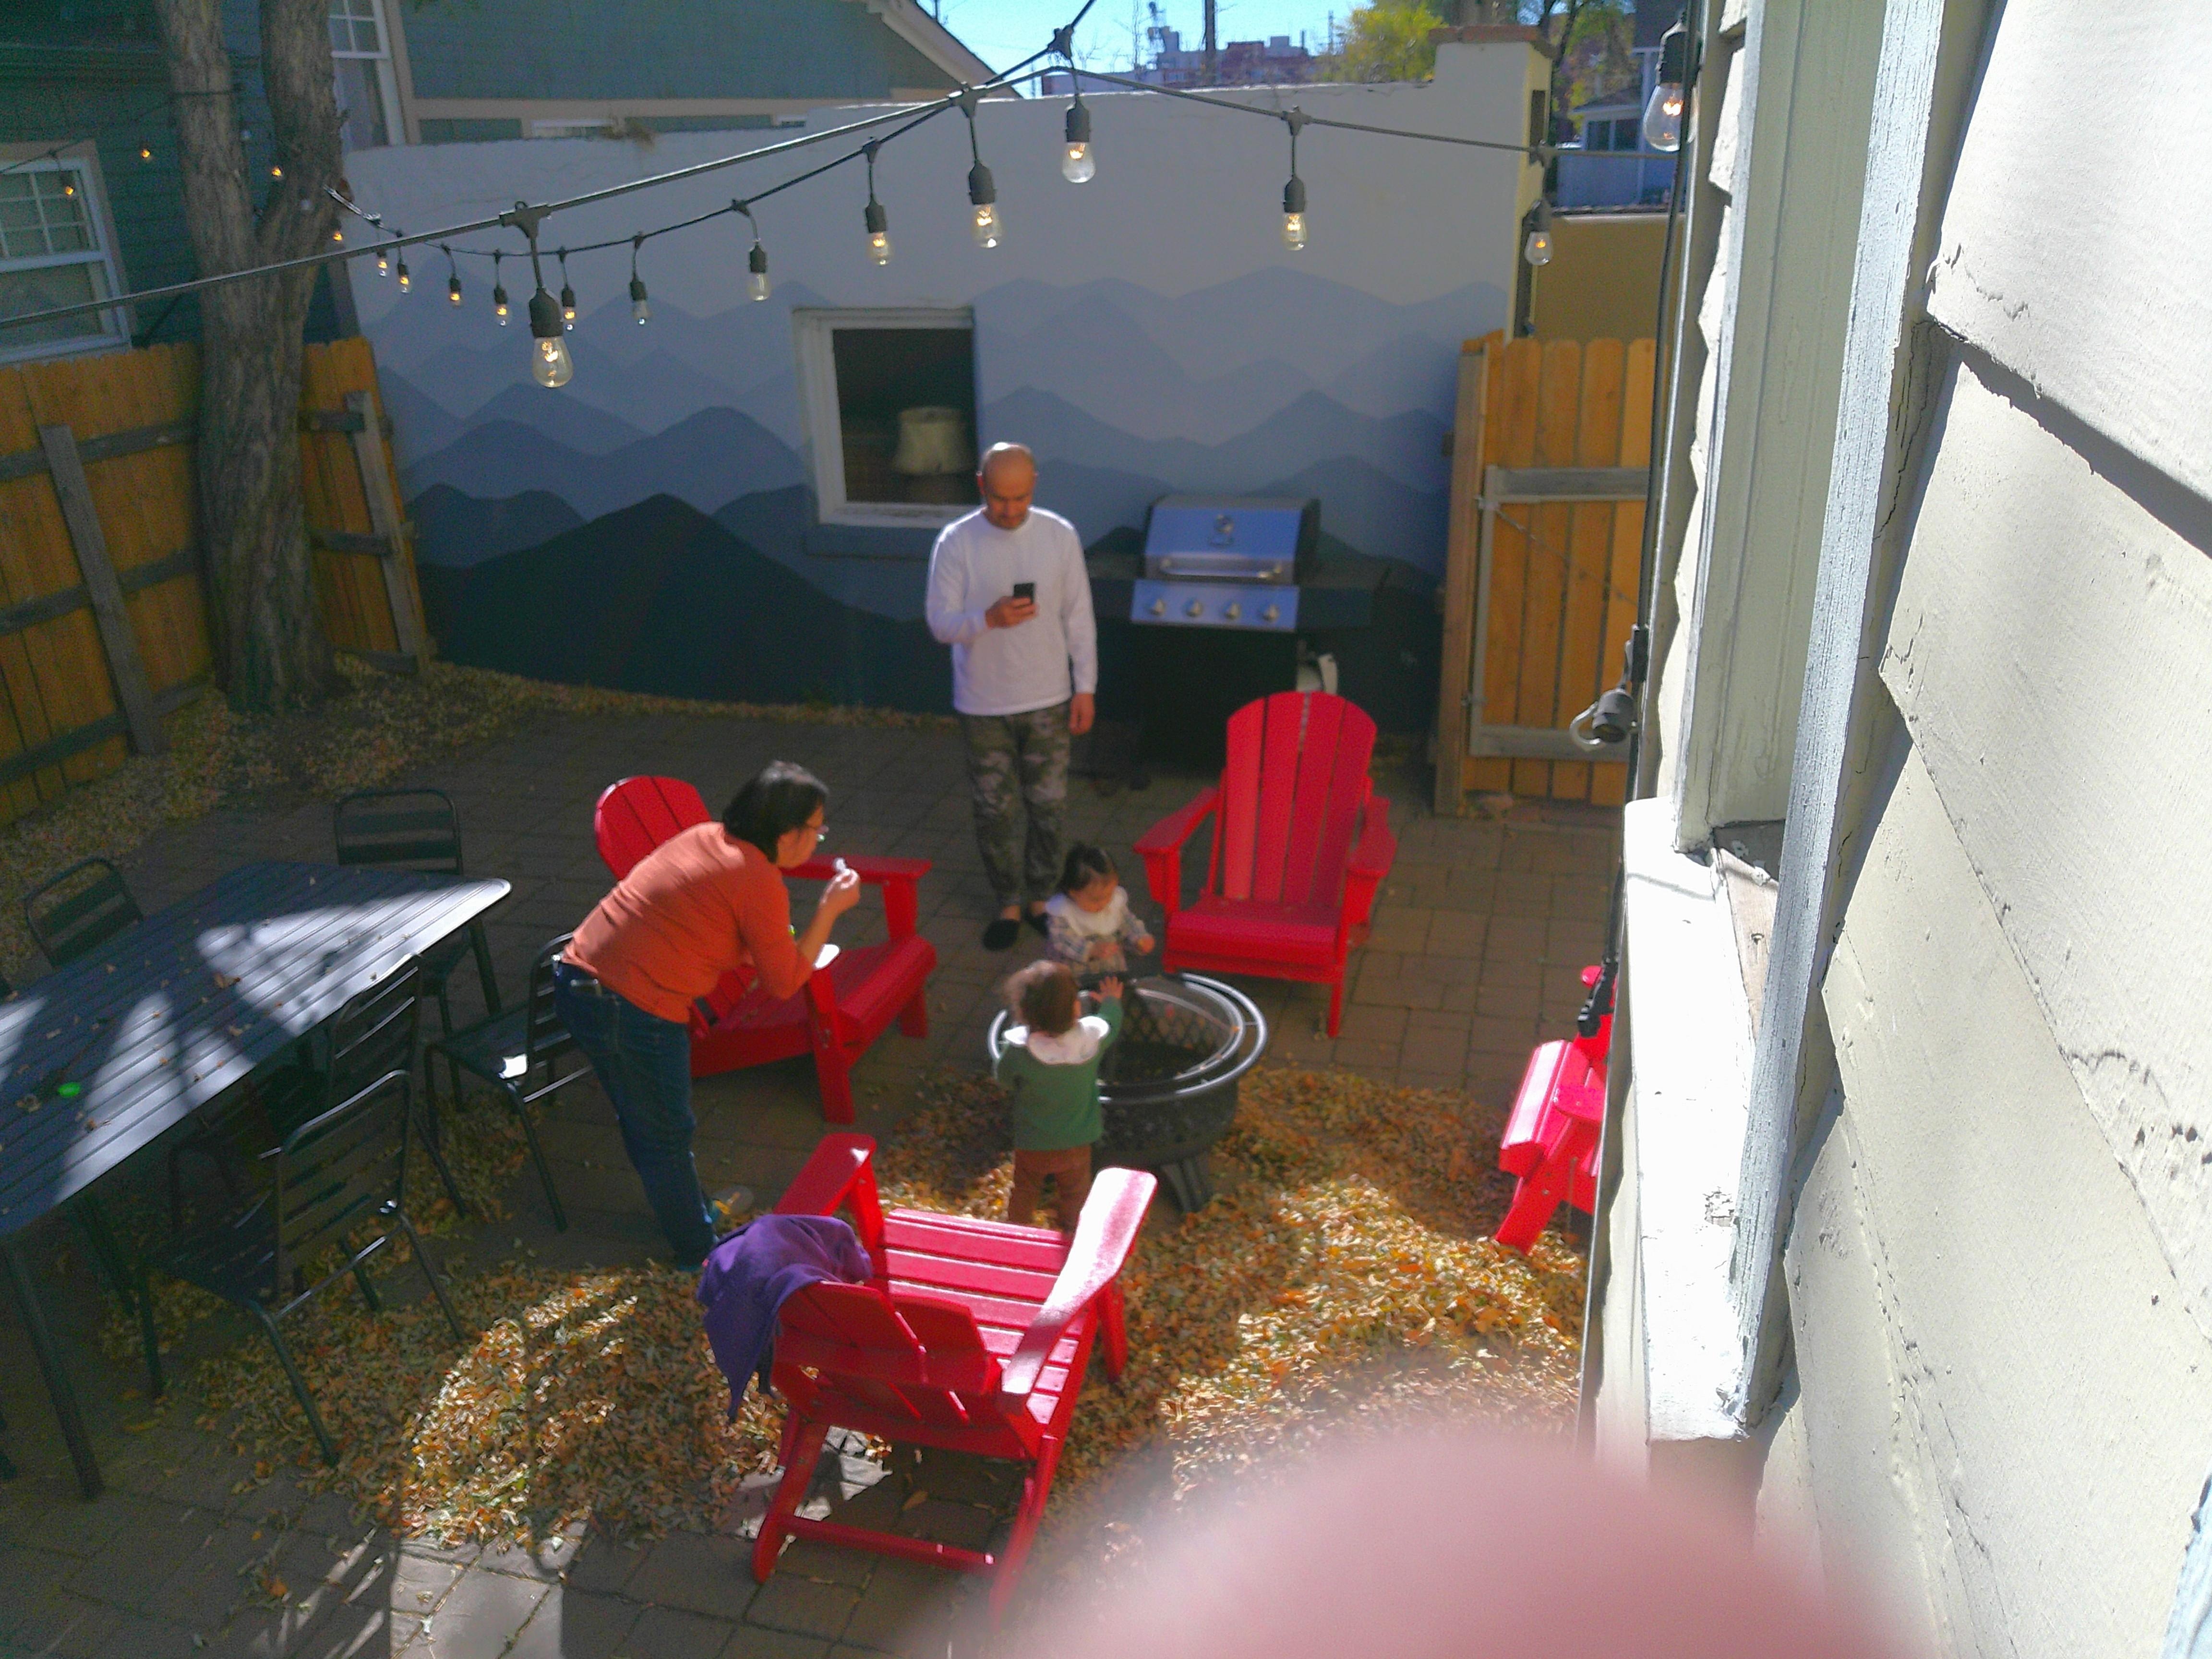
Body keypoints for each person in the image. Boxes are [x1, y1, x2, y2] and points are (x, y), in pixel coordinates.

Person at [556, 762, 862, 1268]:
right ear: (787, 835)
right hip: (629, 1004)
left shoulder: (705, 838)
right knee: (665, 1131)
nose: (820, 838)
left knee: (648, 1123)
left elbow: (726, 932)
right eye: (817, 829)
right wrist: (828, 911)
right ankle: (699, 1255)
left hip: (581, 981)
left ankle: (690, 1217)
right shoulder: (756, 878)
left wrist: (782, 944)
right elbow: (784, 983)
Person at [925, 442, 1098, 952]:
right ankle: (1007, 902)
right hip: (983, 704)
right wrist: (988, 619)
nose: (1010, 509)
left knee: (1049, 808)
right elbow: (939, 623)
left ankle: (1041, 900)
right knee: (993, 810)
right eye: (1000, 498)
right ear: (981, 486)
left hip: (1048, 697)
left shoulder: (1059, 535)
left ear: (1035, 486)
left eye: (1020, 498)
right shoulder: (956, 542)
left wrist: (1085, 686)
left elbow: (1079, 616)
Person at [995, 960, 1121, 1231]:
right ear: (1077, 1008)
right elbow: (1111, 1022)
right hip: (1078, 1140)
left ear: (1023, 1013)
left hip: (1033, 1141)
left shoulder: (1019, 1051)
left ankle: (1015, 1230)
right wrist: (1112, 1001)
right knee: (1076, 1192)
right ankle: (1074, 1231)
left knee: (1026, 1189)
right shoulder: (1091, 1043)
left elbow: (1003, 1077)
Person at [1043, 842, 1155, 981]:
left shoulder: (1113, 902)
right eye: (1095, 900)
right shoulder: (1062, 911)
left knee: (1113, 995)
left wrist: (1139, 938)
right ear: (1074, 893)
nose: (1104, 904)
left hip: (1111, 968)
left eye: (1109, 896)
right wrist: (1090, 950)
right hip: (1074, 973)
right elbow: (1062, 940)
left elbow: (1127, 922)